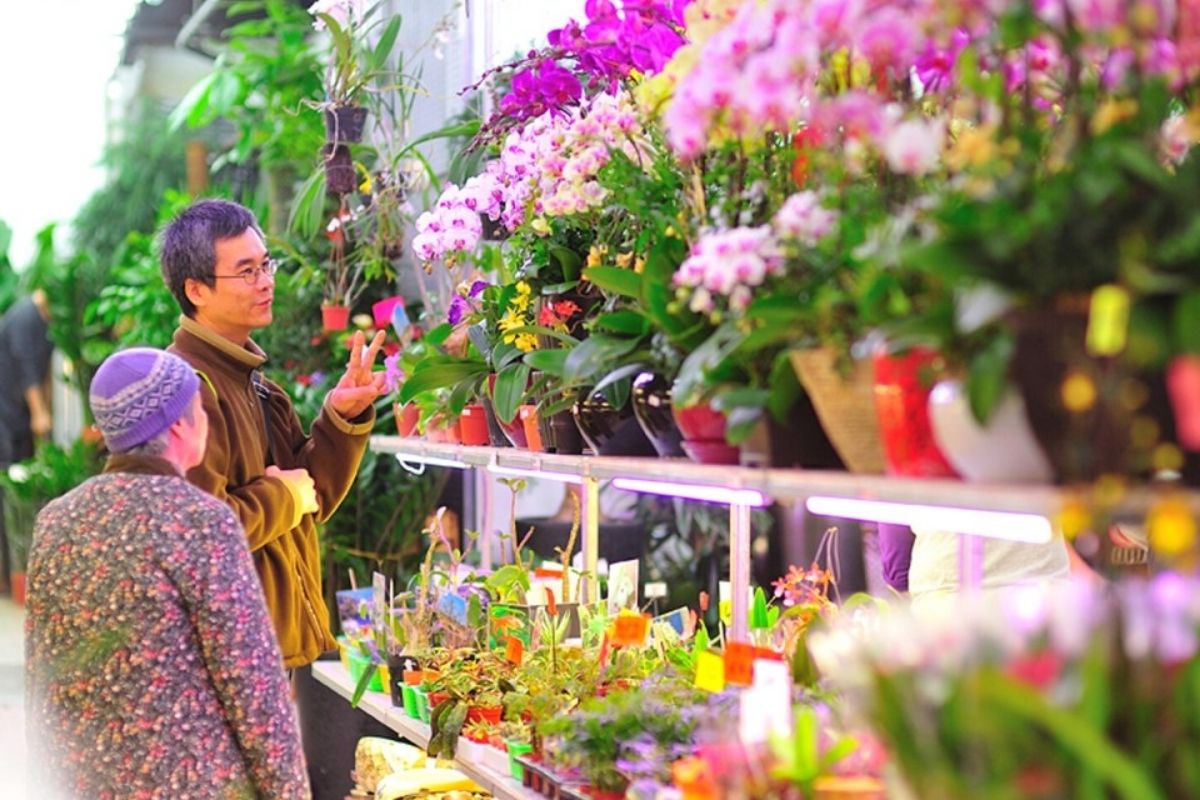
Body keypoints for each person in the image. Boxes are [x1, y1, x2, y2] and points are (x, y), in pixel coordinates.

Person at [25, 348, 309, 799]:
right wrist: (290, 792)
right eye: (200, 409)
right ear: (179, 424)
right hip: (189, 784)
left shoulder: (57, 520)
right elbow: (253, 685)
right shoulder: (201, 521)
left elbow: (42, 672)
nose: (206, 421)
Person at [160, 198, 385, 671]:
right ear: (196, 289)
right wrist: (282, 495)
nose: (265, 282)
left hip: (270, 647)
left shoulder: (254, 383)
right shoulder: (186, 390)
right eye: (246, 272)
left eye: (266, 265)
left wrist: (340, 419)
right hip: (228, 658)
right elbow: (200, 533)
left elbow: (311, 497)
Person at [0, 288, 53, 588]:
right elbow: (26, 368)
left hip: (15, 420)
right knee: (7, 491)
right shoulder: (24, 317)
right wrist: (39, 412)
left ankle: (13, 575)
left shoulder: (40, 320)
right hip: (5, 419)